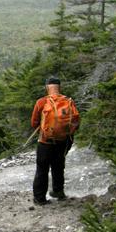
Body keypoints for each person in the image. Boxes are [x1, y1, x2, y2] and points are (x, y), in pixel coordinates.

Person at [31, 77, 80, 205]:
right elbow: (75, 123)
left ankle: (39, 198)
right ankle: (58, 191)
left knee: (42, 169)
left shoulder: (41, 102)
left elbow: (34, 123)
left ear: (47, 87)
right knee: (58, 166)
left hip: (45, 142)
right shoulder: (69, 101)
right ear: (59, 87)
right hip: (63, 141)